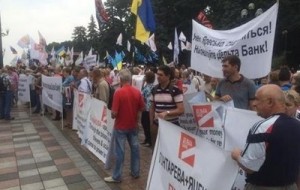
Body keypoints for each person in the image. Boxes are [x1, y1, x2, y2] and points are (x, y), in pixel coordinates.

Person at [231, 84, 300, 190]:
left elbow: (250, 166)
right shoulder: (297, 125)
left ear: (270, 102)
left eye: (257, 99)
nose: (254, 104)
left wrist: (236, 155)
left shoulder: (262, 127)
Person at [104, 69, 145, 183]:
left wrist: (112, 113)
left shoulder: (119, 92)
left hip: (121, 126)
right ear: (130, 79)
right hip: (133, 125)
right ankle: (135, 172)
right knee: (135, 150)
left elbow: (114, 113)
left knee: (120, 152)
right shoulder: (137, 92)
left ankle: (117, 176)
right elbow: (142, 108)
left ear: (121, 79)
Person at [149, 65, 184, 147]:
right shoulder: (154, 89)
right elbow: (152, 108)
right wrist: (151, 123)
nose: (158, 77)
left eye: (161, 75)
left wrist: (167, 113)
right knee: (155, 150)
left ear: (168, 76)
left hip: (171, 125)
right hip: (157, 125)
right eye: (157, 74)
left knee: (171, 149)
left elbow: (181, 110)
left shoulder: (175, 90)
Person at [141, 70, 155, 147]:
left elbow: (142, 94)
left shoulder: (149, 87)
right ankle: (147, 139)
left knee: (146, 124)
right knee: (145, 124)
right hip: (147, 108)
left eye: (145, 76)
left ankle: (149, 140)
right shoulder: (149, 86)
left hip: (147, 109)